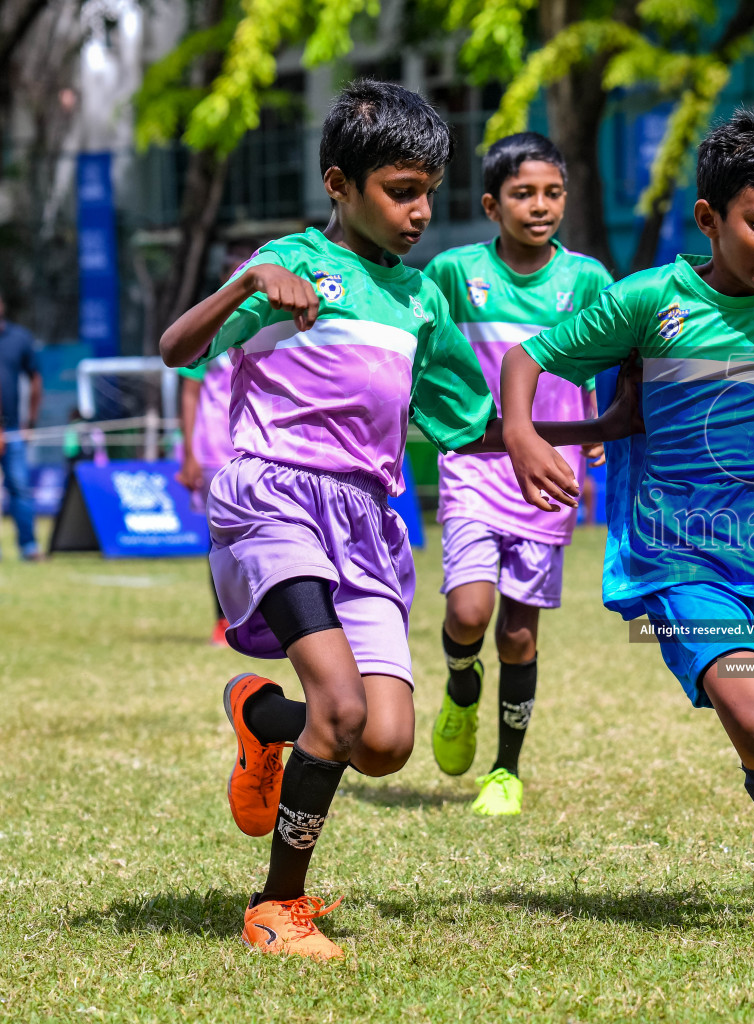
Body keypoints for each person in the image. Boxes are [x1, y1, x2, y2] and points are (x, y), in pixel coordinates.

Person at [157, 80, 637, 961]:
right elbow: (177, 349)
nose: (421, 212)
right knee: (339, 711)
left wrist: (567, 433)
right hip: (277, 501)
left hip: (368, 524)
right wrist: (244, 286)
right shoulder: (290, 267)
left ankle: (263, 719)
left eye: (429, 192)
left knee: (381, 742)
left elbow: (470, 420)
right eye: (399, 191)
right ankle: (277, 908)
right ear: (340, 185)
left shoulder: (422, 302)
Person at [501, 109, 754, 942]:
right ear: (709, 220)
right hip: (677, 560)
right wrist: (520, 431)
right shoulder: (649, 301)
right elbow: (528, 358)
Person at [423, 131, 613, 817]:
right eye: (523, 194)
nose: (540, 206)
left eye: (553, 193)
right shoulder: (450, 272)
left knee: (520, 633)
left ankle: (505, 770)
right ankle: (459, 683)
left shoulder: (586, 278)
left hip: (550, 474)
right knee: (469, 612)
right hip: (475, 464)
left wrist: (594, 425)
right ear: (491, 204)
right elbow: (424, 349)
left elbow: (600, 354)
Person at [178, 247, 256, 646]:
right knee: (221, 541)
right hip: (214, 452)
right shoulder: (207, 327)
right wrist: (189, 453)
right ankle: (222, 621)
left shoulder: (269, 324)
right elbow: (190, 393)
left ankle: (263, 619)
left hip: (260, 451)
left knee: (266, 538)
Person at [0, 294, 42, 560]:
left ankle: (29, 547)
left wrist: (31, 422)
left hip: (14, 429)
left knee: (21, 489)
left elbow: (35, 379)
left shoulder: (19, 338)